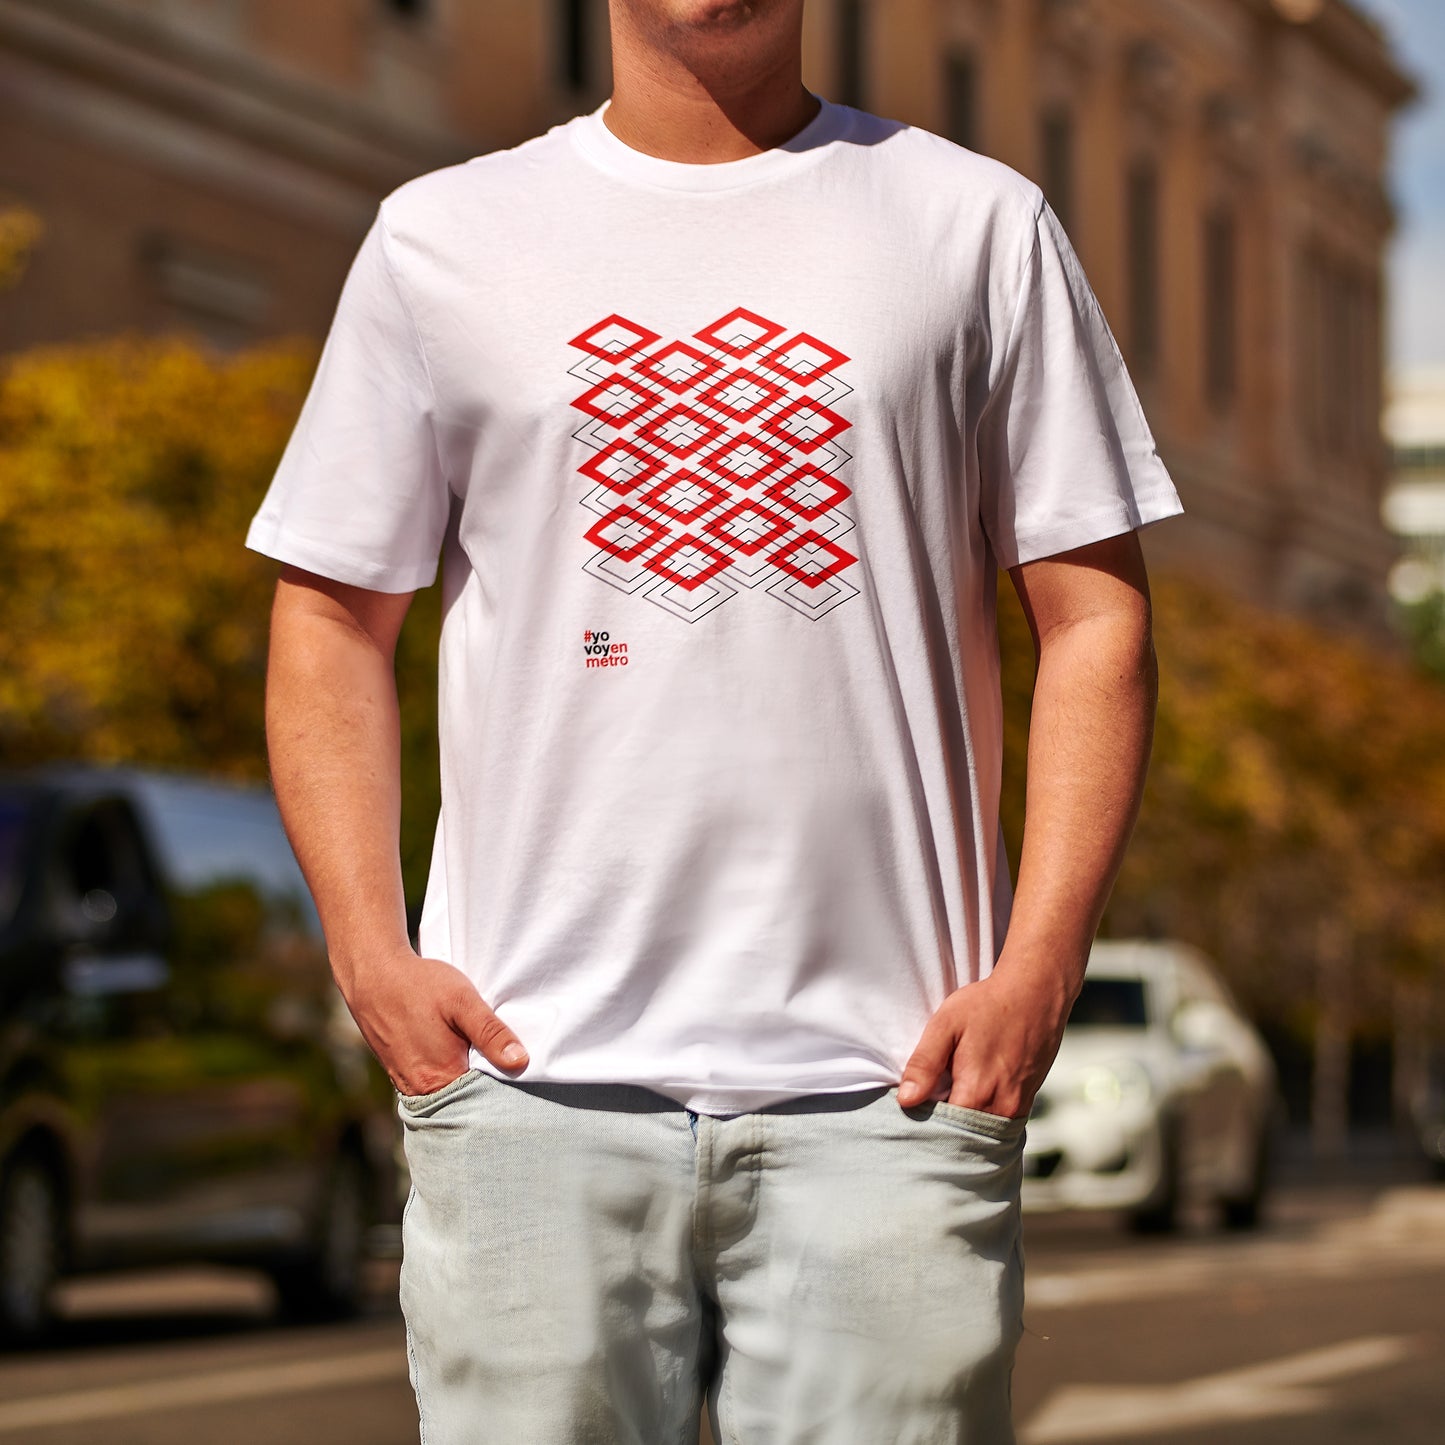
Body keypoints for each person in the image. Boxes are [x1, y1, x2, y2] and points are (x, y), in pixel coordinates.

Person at [247, 1, 1182, 1439]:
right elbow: (327, 618)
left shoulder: (976, 224)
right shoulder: (443, 233)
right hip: (523, 1081)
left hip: (897, 1090)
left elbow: (1094, 617)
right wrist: (370, 954)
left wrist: (1040, 964)